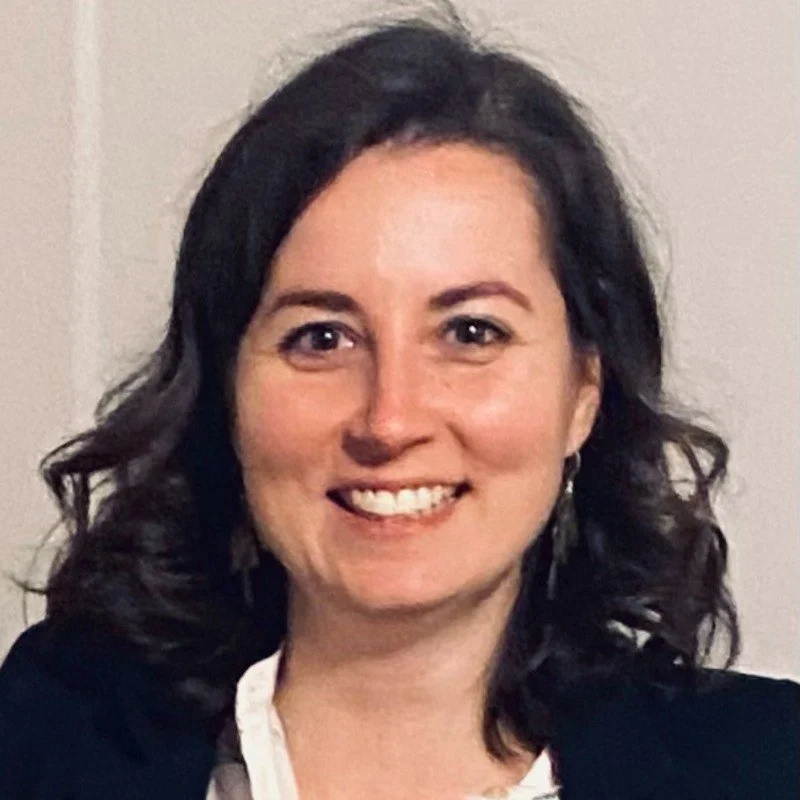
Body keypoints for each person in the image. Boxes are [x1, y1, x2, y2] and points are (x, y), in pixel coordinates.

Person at [0, 8, 797, 800]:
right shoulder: (47, 737)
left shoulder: (767, 767)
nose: (391, 419)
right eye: (321, 338)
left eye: (471, 332)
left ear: (585, 390)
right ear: (227, 392)